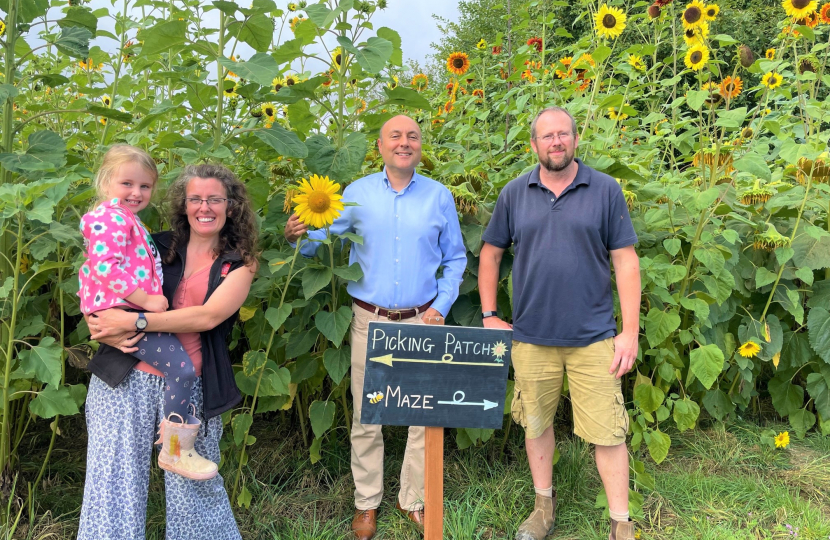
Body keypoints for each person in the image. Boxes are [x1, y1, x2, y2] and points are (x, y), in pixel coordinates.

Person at [284, 115, 467, 540]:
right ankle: (366, 504)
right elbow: (325, 241)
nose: (405, 143)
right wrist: (299, 238)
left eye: (413, 137)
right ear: (380, 145)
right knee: (370, 414)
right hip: (371, 320)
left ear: (420, 146)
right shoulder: (358, 193)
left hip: (424, 318)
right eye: (395, 136)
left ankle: (413, 498)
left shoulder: (439, 196)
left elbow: (455, 258)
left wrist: (441, 306)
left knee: (425, 414)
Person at [478, 107, 641, 540]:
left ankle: (621, 525)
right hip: (531, 337)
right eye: (547, 136)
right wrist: (489, 314)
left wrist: (628, 331)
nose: (556, 142)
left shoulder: (605, 190)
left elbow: (625, 260)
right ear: (533, 144)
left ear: (574, 140)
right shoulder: (514, 193)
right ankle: (543, 507)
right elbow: (491, 254)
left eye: (563, 134)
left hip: (594, 337)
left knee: (608, 433)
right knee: (536, 424)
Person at [78, 163, 259, 540]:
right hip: (125, 380)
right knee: (112, 480)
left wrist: (134, 322)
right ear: (184, 205)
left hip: (190, 386)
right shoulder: (156, 245)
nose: (204, 207)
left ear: (231, 206)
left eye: (214, 199)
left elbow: (207, 317)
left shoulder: (238, 264)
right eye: (195, 198)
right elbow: (103, 277)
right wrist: (102, 324)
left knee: (193, 484)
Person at [78, 145, 214, 480]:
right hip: (124, 307)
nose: (136, 192)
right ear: (105, 181)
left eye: (145, 186)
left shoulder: (126, 219)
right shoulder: (109, 218)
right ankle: (176, 452)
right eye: (127, 183)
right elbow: (104, 268)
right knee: (180, 369)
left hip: (125, 309)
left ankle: (174, 449)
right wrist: (147, 299)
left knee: (178, 368)